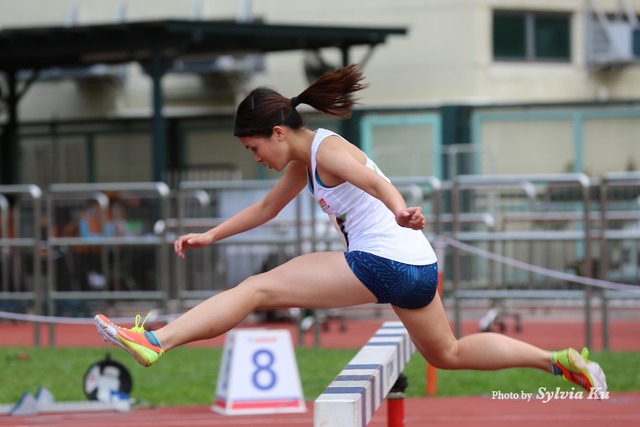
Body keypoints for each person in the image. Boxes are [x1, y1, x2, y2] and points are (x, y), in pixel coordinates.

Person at [94, 64, 607, 398]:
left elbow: (375, 182)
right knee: (446, 353)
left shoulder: (328, 150)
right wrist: (211, 235)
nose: (256, 158)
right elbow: (267, 208)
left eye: (254, 149)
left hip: (383, 258)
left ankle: (156, 340)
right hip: (417, 267)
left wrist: (402, 210)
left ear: (277, 133)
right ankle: (558, 362)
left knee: (256, 288)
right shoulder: (305, 159)